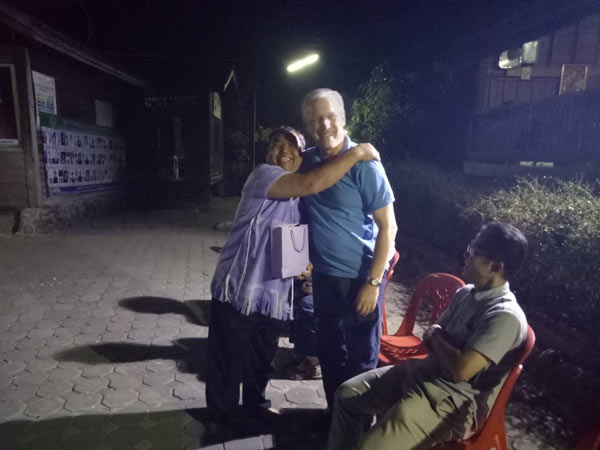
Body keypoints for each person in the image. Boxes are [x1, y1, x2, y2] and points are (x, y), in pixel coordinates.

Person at [206, 126, 380, 432]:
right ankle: (222, 416)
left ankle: (256, 406)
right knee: (228, 357)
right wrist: (357, 153)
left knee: (261, 356)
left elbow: (303, 237)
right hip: (239, 287)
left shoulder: (301, 201)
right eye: (276, 145)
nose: (284, 151)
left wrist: (306, 265)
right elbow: (312, 182)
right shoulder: (264, 176)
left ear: (302, 157)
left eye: (293, 147)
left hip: (272, 294)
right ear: (267, 153)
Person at [327, 222, 529, 450]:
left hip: (451, 402)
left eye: (475, 250)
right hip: (424, 373)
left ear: (495, 266)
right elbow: (429, 336)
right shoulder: (465, 293)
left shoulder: (504, 316)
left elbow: (461, 370)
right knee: (347, 395)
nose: (466, 254)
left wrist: (437, 338)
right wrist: (441, 342)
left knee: (370, 446)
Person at [300, 88, 398, 408]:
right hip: (324, 277)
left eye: (330, 117)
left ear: (343, 118)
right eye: (315, 120)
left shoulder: (365, 165)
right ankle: (335, 419)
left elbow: (389, 228)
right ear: (307, 125)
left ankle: (359, 426)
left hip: (361, 278)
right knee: (329, 352)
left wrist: (373, 283)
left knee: (361, 359)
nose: (324, 126)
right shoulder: (308, 162)